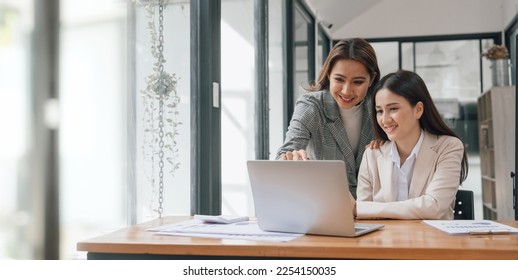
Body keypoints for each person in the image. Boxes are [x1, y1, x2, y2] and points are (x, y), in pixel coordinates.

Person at [353, 70, 468, 220]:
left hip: (434, 241)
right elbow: (364, 217)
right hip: (385, 242)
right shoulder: (372, 154)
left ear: (418, 109)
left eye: (393, 109)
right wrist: (363, 210)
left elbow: (434, 207)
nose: (385, 120)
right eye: (379, 111)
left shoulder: (448, 147)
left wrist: (367, 209)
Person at [276, 38, 381, 198]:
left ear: (371, 79)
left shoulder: (380, 107)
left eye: (358, 82)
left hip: (371, 208)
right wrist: (291, 158)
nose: (347, 91)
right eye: (339, 79)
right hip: (323, 206)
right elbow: (285, 153)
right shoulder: (311, 106)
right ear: (329, 75)